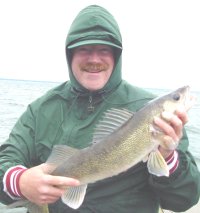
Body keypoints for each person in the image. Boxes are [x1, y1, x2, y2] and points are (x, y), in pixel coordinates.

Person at [0, 4, 199, 213]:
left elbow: (183, 200)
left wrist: (168, 157)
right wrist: (20, 182)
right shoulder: (41, 110)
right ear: (70, 55)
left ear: (116, 56)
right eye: (84, 49)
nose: (94, 59)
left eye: (104, 49)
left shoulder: (159, 120)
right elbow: (6, 159)